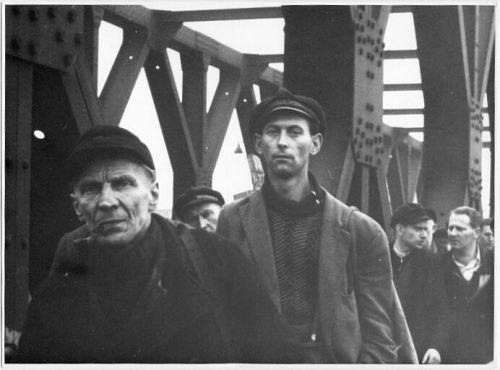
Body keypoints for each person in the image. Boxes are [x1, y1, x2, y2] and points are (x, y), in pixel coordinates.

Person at [16, 125, 299, 363]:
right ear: (77, 207)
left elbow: (278, 357)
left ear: (153, 195)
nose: (106, 201)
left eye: (122, 183)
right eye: (90, 189)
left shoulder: (218, 261)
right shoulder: (56, 297)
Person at [217, 88, 416, 363]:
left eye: (295, 132)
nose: (283, 142)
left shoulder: (361, 231)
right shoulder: (232, 220)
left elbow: (380, 339)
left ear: (316, 143)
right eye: (273, 132)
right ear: (259, 144)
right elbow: (223, 319)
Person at [389, 203, 450, 364]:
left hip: (417, 351)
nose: (424, 234)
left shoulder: (431, 262)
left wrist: (436, 347)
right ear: (400, 229)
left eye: (426, 229)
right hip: (382, 348)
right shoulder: (380, 257)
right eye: (418, 229)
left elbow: (441, 310)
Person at [441, 206, 494, 364]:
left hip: (487, 356)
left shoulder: (494, 263)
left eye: (460, 229)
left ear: (476, 233)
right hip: (449, 356)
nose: (453, 233)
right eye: (450, 228)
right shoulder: (436, 265)